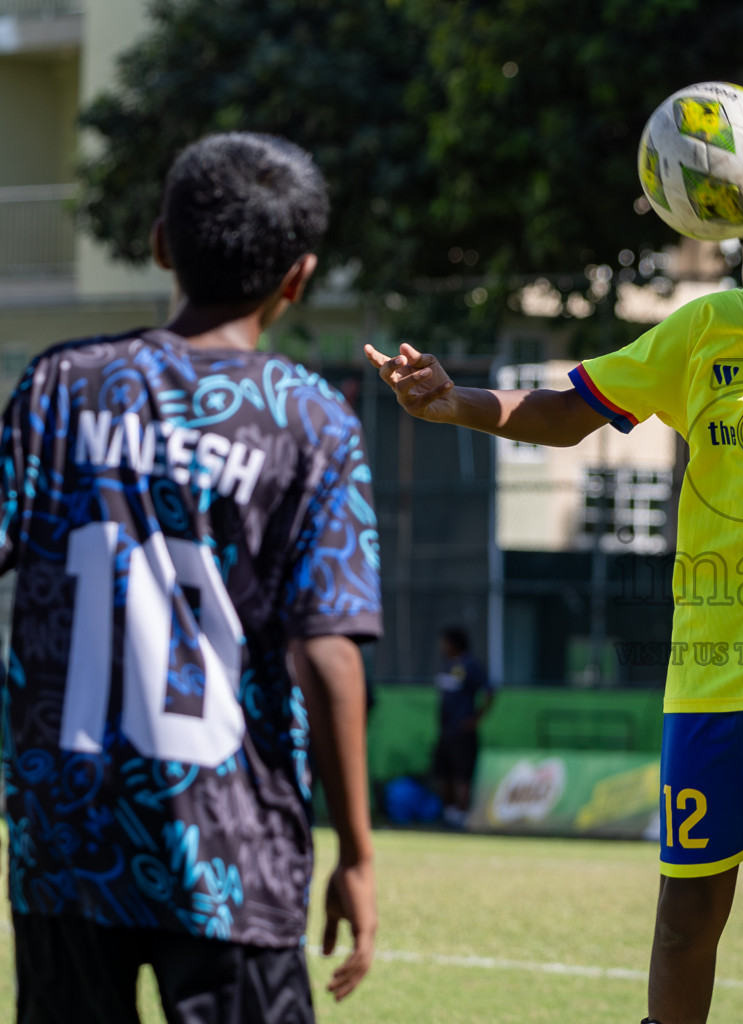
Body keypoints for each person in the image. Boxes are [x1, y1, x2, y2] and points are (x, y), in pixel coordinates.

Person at [367, 146, 743, 1024]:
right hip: (715, 676)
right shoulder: (701, 331)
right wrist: (452, 401)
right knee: (687, 917)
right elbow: (572, 414)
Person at [0, 133, 380, 1023]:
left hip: (66, 841)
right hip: (228, 848)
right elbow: (329, 655)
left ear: (160, 241)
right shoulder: (310, 421)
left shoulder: (61, 388)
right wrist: (357, 854)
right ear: (299, 276)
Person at [434, 625, 494, 826]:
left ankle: (462, 816)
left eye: (445, 642)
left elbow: (490, 690)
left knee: (462, 774)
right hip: (445, 731)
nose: (442, 646)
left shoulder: (471, 665)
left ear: (454, 644)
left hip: (462, 732)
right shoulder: (449, 666)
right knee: (443, 774)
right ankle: (449, 814)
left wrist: (476, 719)